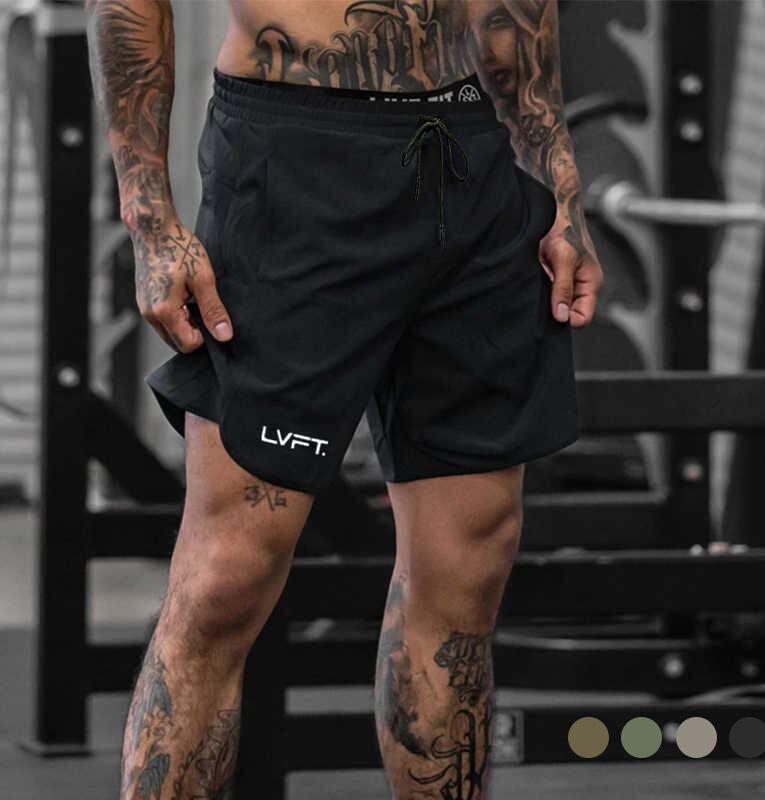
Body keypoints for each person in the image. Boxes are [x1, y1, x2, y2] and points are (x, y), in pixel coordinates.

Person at [86, 1, 603, 797]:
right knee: (228, 574)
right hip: (293, 153)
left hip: (466, 160)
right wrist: (150, 220)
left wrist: (560, 185)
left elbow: (513, 13)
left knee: (469, 564)